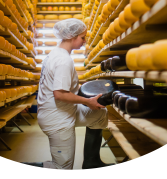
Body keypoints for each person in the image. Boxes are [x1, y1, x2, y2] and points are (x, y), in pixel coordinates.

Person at [23, 18, 113, 169]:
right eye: (83, 37)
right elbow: (60, 94)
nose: (84, 41)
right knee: (62, 168)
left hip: (61, 111)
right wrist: (87, 101)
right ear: (72, 36)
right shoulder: (64, 60)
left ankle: (92, 162)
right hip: (57, 119)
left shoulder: (55, 54)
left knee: (99, 115)